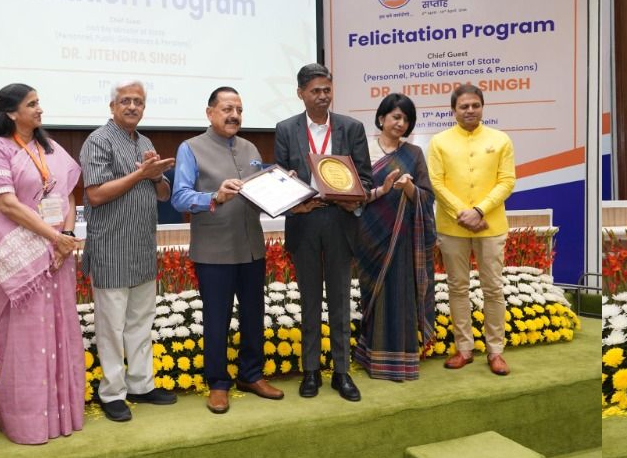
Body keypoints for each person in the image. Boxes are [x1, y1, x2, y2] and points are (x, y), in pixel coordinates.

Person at [0, 83, 84, 444]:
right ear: (11, 113)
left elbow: (68, 194)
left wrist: (65, 236)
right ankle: (26, 422)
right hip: (24, 255)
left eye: (39, 102)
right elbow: (5, 202)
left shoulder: (48, 147)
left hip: (57, 253)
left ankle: (61, 417)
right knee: (25, 336)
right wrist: (53, 237)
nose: (40, 109)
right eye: (32, 104)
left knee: (60, 328)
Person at [172, 87, 282, 415]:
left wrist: (281, 187)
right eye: (227, 109)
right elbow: (179, 197)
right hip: (213, 251)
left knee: (253, 316)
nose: (234, 115)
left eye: (239, 110)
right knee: (217, 320)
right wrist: (214, 197)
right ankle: (218, 383)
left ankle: (251, 375)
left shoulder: (250, 148)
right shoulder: (190, 148)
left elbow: (259, 194)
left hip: (251, 248)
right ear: (210, 113)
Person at [273, 63, 379, 402]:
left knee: (340, 301)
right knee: (308, 302)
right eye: (315, 91)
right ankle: (311, 371)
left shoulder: (351, 128)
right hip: (304, 221)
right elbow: (279, 179)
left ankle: (342, 373)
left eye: (327, 90)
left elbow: (366, 179)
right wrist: (290, 190)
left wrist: (353, 198)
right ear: (300, 93)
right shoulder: (285, 129)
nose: (322, 96)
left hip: (340, 221)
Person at [81, 79, 177, 423]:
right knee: (111, 327)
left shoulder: (145, 142)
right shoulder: (98, 141)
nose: (133, 106)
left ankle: (141, 384)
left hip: (141, 247)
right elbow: (95, 195)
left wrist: (156, 177)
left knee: (140, 322)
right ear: (112, 106)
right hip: (111, 247)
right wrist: (141, 175)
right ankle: (112, 392)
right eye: (126, 101)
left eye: (139, 101)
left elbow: (164, 195)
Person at [428, 83, 517, 375]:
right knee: (457, 287)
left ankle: (496, 351)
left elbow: (507, 181)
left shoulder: (500, 139)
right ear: (453, 110)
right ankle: (463, 348)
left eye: (475, 105)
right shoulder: (439, 142)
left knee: (493, 288)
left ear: (482, 107)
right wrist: (462, 213)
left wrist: (479, 210)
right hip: (452, 226)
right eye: (464, 106)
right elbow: (436, 182)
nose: (470, 110)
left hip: (491, 225)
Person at [354, 93, 437, 382]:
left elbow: (427, 197)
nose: (401, 123)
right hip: (370, 235)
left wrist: (409, 188)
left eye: (406, 119)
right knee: (374, 296)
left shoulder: (414, 154)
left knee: (400, 295)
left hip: (402, 239)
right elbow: (354, 194)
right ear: (382, 118)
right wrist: (383, 189)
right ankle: (371, 357)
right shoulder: (363, 151)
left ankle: (400, 362)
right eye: (396, 117)